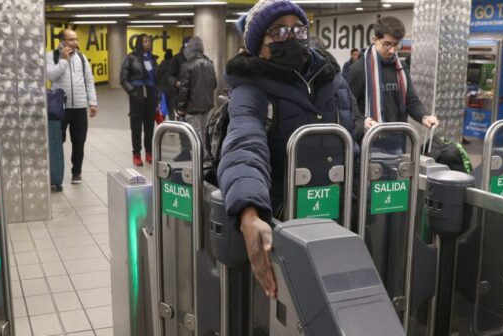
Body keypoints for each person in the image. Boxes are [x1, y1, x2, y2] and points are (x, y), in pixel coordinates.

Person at [218, 0, 356, 298]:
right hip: (287, 220)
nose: (291, 37)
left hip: (342, 217)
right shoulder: (250, 90)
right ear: (258, 46)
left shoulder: (335, 82)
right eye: (278, 31)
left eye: (298, 29)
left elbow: (353, 139)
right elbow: (244, 143)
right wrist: (249, 211)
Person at [346, 16, 438, 152]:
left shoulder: (401, 68)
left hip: (397, 141)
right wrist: (364, 120)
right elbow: (347, 106)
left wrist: (424, 116)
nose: (392, 50)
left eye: (396, 45)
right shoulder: (358, 69)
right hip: (368, 142)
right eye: (387, 44)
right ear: (375, 40)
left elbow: (411, 101)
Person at [46, 29, 98, 185]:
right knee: (57, 141)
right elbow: (50, 75)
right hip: (59, 108)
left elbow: (89, 80)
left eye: (76, 39)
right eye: (71, 39)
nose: (75, 42)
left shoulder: (82, 58)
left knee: (79, 141)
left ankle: (77, 172)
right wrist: (63, 60)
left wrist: (92, 102)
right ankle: (56, 174)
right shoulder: (51, 56)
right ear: (62, 41)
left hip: (80, 107)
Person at [120, 34, 158, 167]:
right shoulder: (131, 57)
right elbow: (123, 79)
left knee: (149, 126)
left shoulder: (153, 58)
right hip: (138, 93)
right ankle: (136, 154)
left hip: (151, 94)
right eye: (145, 41)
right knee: (136, 126)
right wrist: (133, 92)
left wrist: (157, 98)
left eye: (149, 41)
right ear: (139, 43)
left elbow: (156, 79)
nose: (148, 43)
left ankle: (149, 153)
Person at [176, 36, 217, 145]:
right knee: (205, 134)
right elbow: (214, 84)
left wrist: (180, 108)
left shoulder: (187, 65)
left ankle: (199, 160)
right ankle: (205, 159)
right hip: (207, 106)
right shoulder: (210, 64)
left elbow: (184, 89)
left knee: (195, 136)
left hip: (192, 107)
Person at [165, 36, 192, 115]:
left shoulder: (200, 59)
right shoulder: (177, 59)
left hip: (196, 98)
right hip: (181, 95)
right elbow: (169, 76)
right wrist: (176, 82)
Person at [157, 48, 176, 120]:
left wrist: (158, 89)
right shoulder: (174, 64)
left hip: (163, 89)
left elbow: (158, 76)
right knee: (171, 109)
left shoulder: (162, 64)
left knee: (163, 108)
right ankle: (172, 124)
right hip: (172, 89)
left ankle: (163, 125)